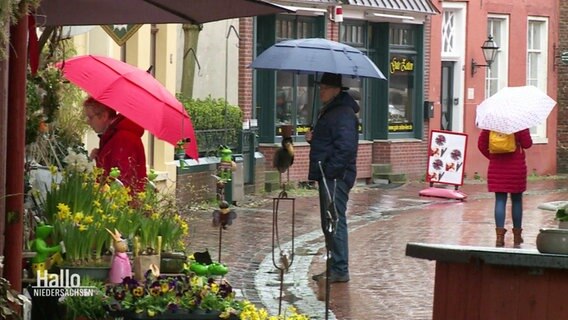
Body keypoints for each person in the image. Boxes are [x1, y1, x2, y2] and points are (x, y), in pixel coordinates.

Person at [306, 73, 359, 283]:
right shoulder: (332, 111)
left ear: (337, 89)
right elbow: (330, 142)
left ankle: (339, 268)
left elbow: (345, 148)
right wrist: (315, 138)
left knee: (334, 221)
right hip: (329, 174)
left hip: (335, 177)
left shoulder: (342, 113)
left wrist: (330, 172)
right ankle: (334, 266)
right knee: (329, 221)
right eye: (320, 87)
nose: (321, 91)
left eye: (325, 88)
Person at [477, 128, 533, 248]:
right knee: (517, 200)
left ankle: (499, 237)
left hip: (497, 166)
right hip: (516, 166)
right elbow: (527, 144)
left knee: (500, 200)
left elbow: (481, 145)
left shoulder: (492, 123)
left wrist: (493, 156)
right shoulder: (519, 122)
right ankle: (517, 236)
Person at [83, 97, 147, 193]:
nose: (87, 122)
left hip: (123, 204)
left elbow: (122, 180)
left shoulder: (123, 138)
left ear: (104, 116)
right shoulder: (112, 135)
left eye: (90, 117)